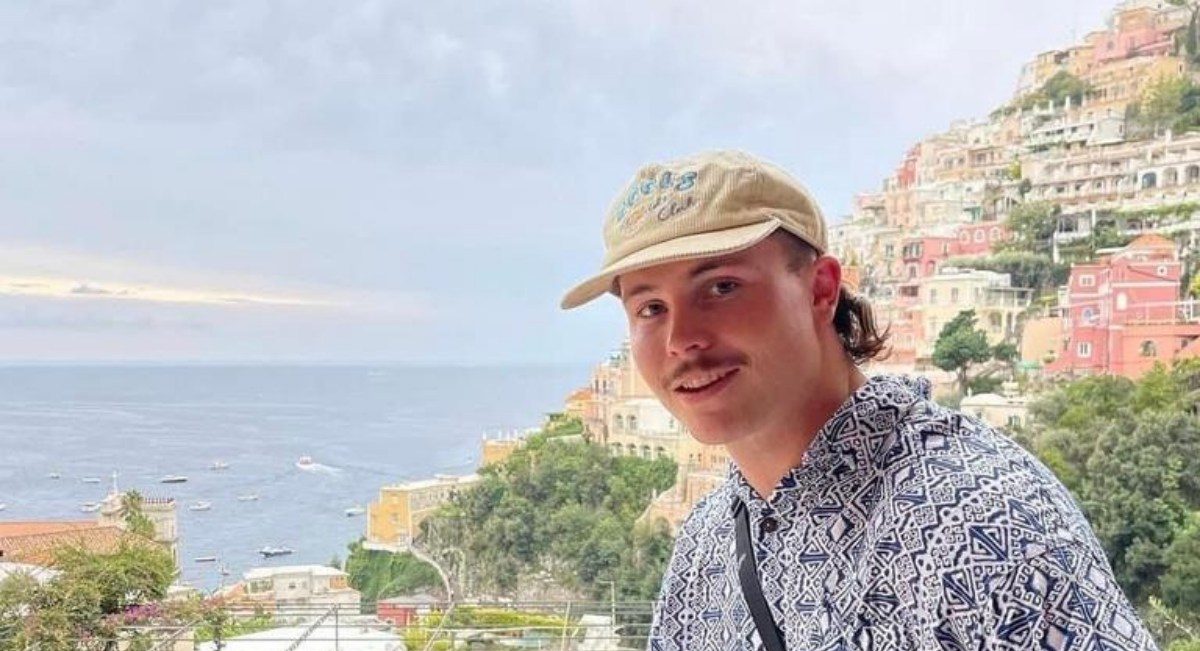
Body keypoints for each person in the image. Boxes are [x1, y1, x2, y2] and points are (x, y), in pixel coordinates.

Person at [560, 151, 1157, 650]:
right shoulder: (706, 546)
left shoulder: (980, 519)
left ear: (821, 290)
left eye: (722, 287)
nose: (681, 338)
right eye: (650, 308)